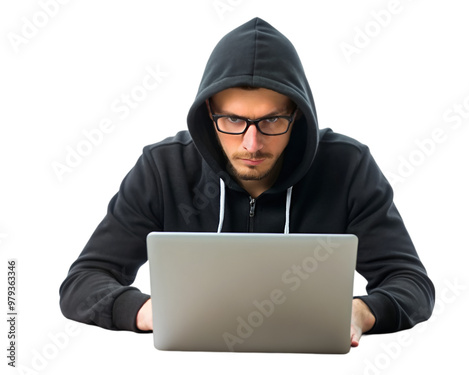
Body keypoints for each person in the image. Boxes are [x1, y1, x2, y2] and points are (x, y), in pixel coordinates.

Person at [59, 17, 435, 348]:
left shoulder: (349, 168)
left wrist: (362, 312)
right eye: (234, 121)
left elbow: (411, 283)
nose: (251, 144)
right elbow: (83, 282)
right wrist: (146, 311)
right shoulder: (163, 168)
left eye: (272, 121)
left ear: (298, 116)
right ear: (209, 113)